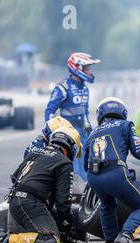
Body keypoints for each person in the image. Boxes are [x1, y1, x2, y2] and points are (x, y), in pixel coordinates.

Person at [85, 97, 140, 243]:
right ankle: (125, 236)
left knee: (107, 205)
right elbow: (139, 153)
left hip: (93, 177)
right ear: (122, 112)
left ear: (100, 114)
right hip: (115, 172)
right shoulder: (126, 125)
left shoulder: (92, 133)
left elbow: (85, 163)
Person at [0, 128, 83, 243]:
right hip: (31, 203)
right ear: (71, 147)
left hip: (16, 201)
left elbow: (15, 177)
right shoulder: (65, 162)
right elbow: (63, 202)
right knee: (51, 240)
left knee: (56, 238)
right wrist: (68, 228)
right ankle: (4, 240)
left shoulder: (34, 152)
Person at [45, 52, 100, 182]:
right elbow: (50, 110)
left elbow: (84, 112)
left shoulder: (84, 88)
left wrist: (90, 130)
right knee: (73, 165)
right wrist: (52, 131)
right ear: (77, 68)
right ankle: (73, 190)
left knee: (88, 161)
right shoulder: (63, 87)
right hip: (68, 133)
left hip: (83, 132)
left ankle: (87, 190)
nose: (89, 72)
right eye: (86, 68)